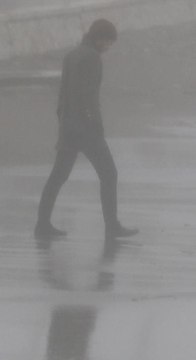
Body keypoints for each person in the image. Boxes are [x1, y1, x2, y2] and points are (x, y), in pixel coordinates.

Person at [35, 18, 138, 240]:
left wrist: (63, 121)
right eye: (108, 42)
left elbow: (63, 94)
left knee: (58, 176)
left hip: (69, 125)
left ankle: (42, 224)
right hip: (86, 127)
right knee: (109, 174)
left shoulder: (72, 55)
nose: (108, 47)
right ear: (99, 39)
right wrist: (96, 125)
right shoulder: (92, 58)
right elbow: (89, 96)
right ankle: (112, 227)